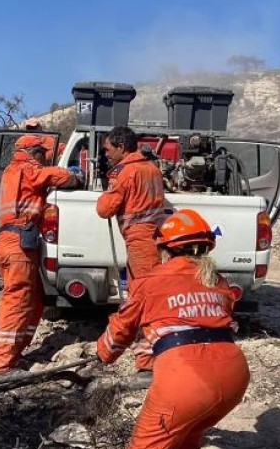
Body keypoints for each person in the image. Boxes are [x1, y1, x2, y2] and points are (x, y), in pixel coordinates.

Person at [95, 209, 250, 449]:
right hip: (234, 378)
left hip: (186, 380)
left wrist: (103, 354)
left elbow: (121, 331)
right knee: (186, 439)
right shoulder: (218, 281)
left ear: (166, 249)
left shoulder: (150, 282)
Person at [0, 134, 83, 377]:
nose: (45, 159)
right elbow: (58, 176)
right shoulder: (28, 169)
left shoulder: (12, 171)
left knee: (33, 300)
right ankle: (1, 366)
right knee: (18, 300)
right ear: (35, 153)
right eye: (44, 154)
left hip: (13, 243)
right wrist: (75, 175)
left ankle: (15, 354)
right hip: (18, 244)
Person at [96, 126, 167, 374]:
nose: (106, 154)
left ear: (121, 147)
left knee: (144, 302)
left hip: (139, 240)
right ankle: (145, 357)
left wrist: (107, 187)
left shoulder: (126, 173)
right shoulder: (152, 169)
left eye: (108, 149)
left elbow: (105, 209)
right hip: (151, 237)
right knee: (142, 298)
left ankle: (148, 363)